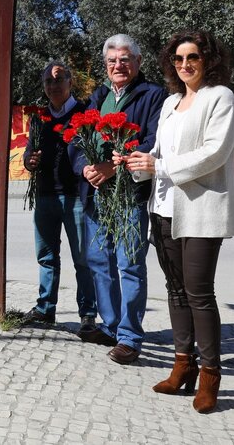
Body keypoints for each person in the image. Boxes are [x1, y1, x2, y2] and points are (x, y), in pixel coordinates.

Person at [118, 29, 234, 413]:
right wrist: (138, 162)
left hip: (202, 208)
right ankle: (182, 365)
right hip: (164, 207)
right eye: (178, 59)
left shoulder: (219, 98)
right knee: (175, 290)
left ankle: (210, 375)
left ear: (208, 60)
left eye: (193, 58)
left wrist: (161, 165)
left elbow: (214, 153)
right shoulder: (171, 102)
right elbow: (158, 150)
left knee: (199, 293)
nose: (185, 65)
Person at [72, 34, 165, 364]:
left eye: (125, 60)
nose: (118, 66)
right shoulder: (98, 96)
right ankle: (110, 326)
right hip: (97, 197)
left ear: (138, 62)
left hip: (130, 195)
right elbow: (76, 139)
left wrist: (112, 167)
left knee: (129, 265)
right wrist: (86, 168)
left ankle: (129, 336)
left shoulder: (153, 96)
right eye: (112, 61)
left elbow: (152, 140)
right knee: (99, 262)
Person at [21, 61, 96, 333]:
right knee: (46, 257)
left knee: (83, 260)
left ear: (70, 82)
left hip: (76, 197)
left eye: (58, 79)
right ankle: (45, 309)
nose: (53, 86)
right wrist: (30, 160)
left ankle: (88, 314)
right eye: (48, 81)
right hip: (45, 196)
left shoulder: (84, 113)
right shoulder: (39, 117)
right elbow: (28, 152)